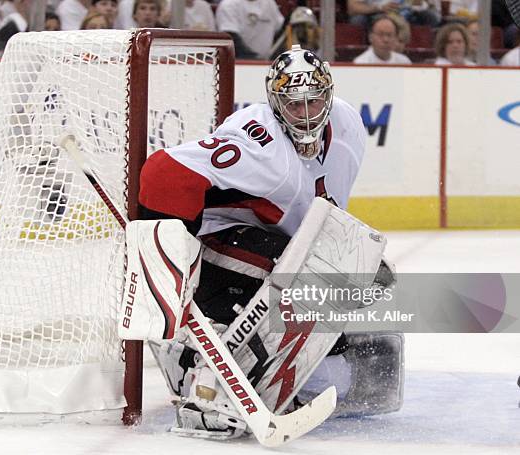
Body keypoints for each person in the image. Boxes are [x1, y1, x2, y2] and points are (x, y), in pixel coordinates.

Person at [138, 45, 402, 439]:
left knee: (353, 282)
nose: (308, 114)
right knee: (296, 278)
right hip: (215, 241)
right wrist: (166, 256)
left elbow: (324, 211)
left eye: (315, 101)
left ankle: (257, 371)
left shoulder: (348, 124)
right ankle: (203, 386)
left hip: (269, 242)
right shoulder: (257, 142)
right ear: (277, 105)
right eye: (296, 106)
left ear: (329, 95)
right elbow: (164, 172)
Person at [215, 0, 284, 60]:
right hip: (238, 62)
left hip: (266, 62)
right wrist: (253, 58)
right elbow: (231, 39)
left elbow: (280, 31)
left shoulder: (269, 3)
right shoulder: (229, 5)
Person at [347, 0, 440, 28]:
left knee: (432, 17)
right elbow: (352, 7)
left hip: (405, 13)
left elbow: (426, 4)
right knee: (358, 20)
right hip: (375, 13)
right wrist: (379, 8)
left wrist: (420, 4)